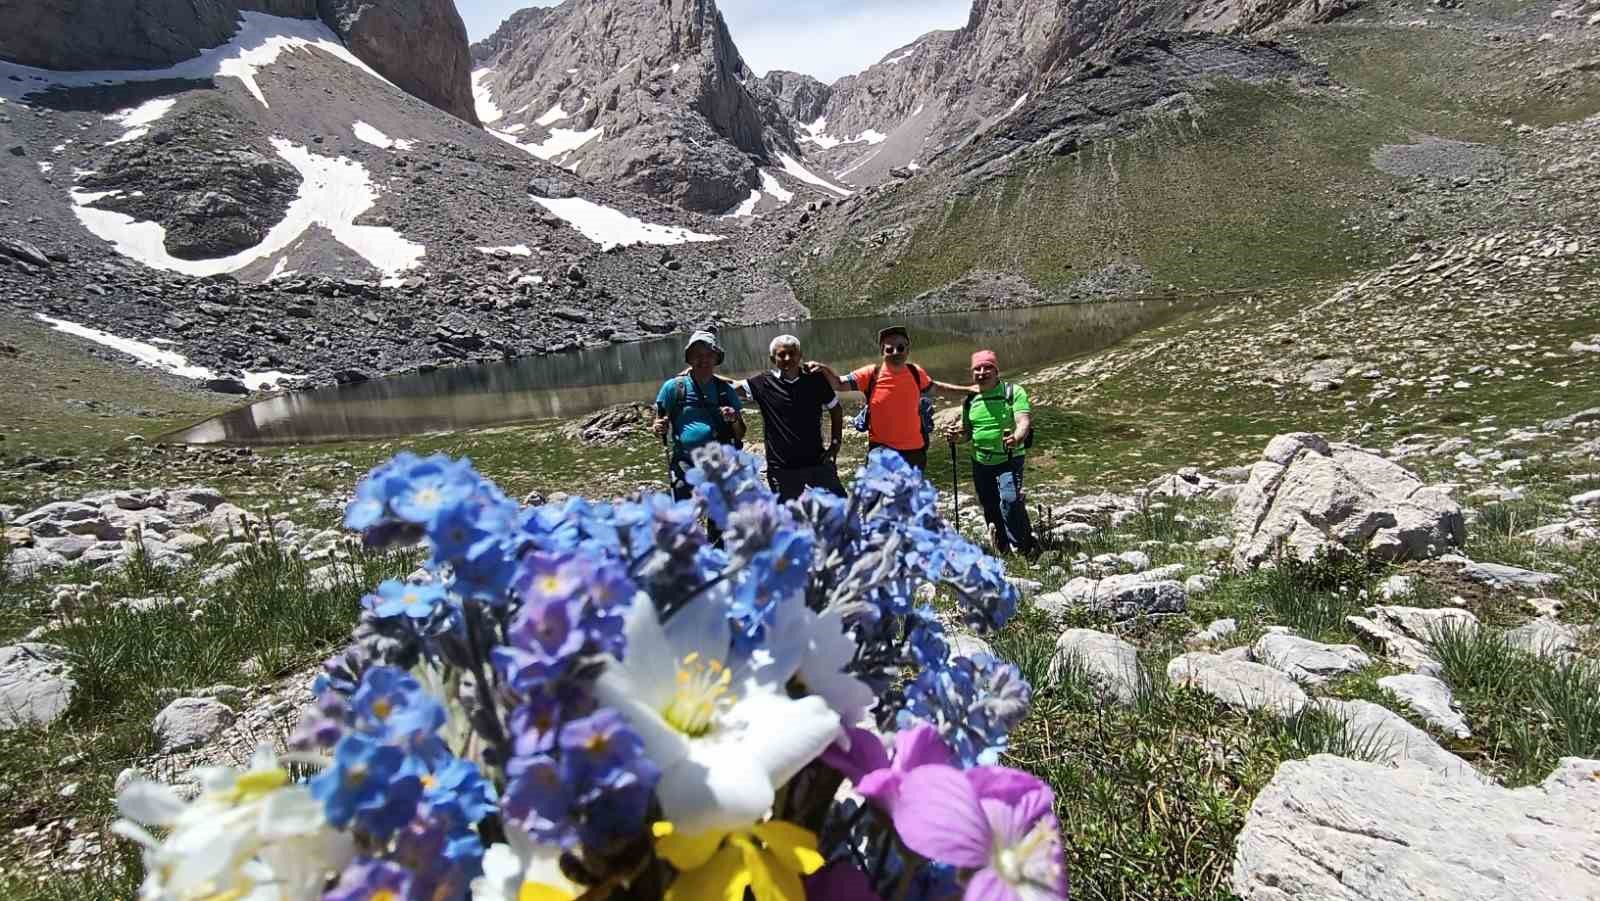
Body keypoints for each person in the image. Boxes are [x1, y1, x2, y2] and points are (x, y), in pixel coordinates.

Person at [809, 325, 975, 471]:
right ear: (882, 351)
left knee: (909, 503)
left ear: (908, 350)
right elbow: (839, 384)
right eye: (889, 349)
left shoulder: (916, 373)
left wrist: (967, 390)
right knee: (876, 502)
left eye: (900, 347)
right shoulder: (870, 374)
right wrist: (823, 369)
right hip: (881, 452)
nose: (895, 352)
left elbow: (937, 388)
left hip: (914, 453)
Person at [729, 335, 846, 501]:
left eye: (792, 353)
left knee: (840, 509)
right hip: (782, 468)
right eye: (781, 355)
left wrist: (835, 445)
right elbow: (733, 387)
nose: (787, 358)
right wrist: (700, 373)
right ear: (772, 358)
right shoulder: (762, 383)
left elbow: (836, 410)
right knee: (789, 519)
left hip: (817, 462)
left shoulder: (815, 380)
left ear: (800, 355)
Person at [946, 349, 1038, 556]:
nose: (981, 372)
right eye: (977, 368)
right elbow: (968, 433)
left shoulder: (1013, 392)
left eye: (987, 367)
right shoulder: (970, 400)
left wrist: (1017, 437)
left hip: (1009, 458)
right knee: (989, 503)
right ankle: (1002, 546)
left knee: (1009, 500)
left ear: (996, 371)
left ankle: (1023, 546)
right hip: (980, 461)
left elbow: (1023, 421)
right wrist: (956, 438)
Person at [653, 331, 747, 518]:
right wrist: (657, 427)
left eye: (708, 355)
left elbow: (740, 433)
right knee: (683, 516)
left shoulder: (724, 390)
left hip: (719, 462)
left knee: (719, 518)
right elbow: (658, 422)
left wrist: (734, 419)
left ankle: (717, 544)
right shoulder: (673, 387)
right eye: (698, 355)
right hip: (684, 461)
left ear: (716, 359)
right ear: (689, 359)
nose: (703, 360)